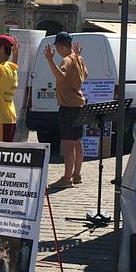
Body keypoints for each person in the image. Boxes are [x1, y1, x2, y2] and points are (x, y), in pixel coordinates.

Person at [43, 31, 88, 188]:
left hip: (68, 106)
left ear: (61, 47)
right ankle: (77, 174)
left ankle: (67, 178)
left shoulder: (67, 60)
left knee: (68, 143)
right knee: (77, 141)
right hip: (78, 105)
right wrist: (78, 56)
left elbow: (61, 76)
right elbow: (86, 74)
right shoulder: (79, 58)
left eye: (57, 48)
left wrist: (50, 60)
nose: (57, 51)